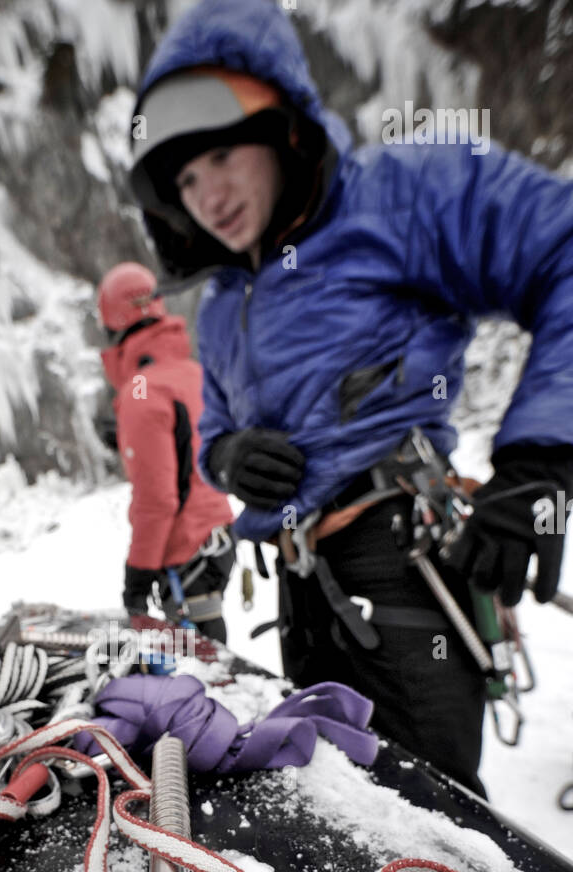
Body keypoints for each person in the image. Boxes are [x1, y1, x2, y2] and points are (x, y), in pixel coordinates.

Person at [126, 0, 573, 794]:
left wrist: (541, 455)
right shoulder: (225, 304)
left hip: (401, 564)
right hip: (302, 593)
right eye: (185, 179)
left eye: (223, 156)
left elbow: (562, 250)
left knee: (429, 831)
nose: (207, 195)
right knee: (341, 817)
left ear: (284, 128)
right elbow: (216, 424)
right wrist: (227, 455)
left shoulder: (398, 197)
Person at [97, 261, 235, 642]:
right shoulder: (193, 372)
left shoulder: (141, 390)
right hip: (214, 541)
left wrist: (137, 576)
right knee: (211, 661)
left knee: (197, 669)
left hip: (184, 554)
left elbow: (158, 499)